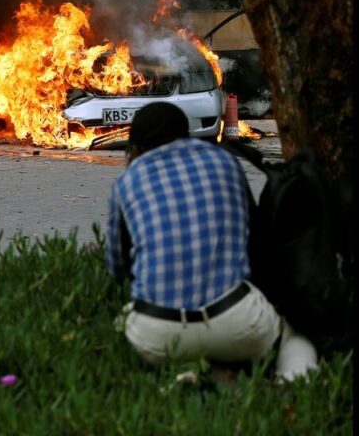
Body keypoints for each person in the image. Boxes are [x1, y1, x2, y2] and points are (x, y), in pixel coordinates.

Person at [105, 102, 316, 381]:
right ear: (185, 136)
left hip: (158, 334)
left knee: (127, 319)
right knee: (293, 337)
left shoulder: (126, 182)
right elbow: (254, 241)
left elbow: (118, 269)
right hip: (236, 321)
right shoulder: (225, 161)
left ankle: (192, 375)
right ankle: (292, 383)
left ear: (134, 149)